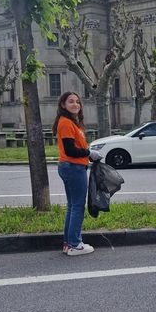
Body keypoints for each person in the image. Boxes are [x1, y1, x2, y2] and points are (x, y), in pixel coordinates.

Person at [53, 92, 101, 256]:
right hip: (73, 167)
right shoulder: (66, 123)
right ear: (63, 105)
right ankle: (74, 244)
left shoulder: (70, 122)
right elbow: (70, 150)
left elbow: (75, 148)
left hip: (71, 166)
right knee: (77, 206)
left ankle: (68, 243)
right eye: (71, 102)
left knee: (72, 206)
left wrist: (88, 154)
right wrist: (89, 153)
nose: (75, 104)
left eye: (77, 102)